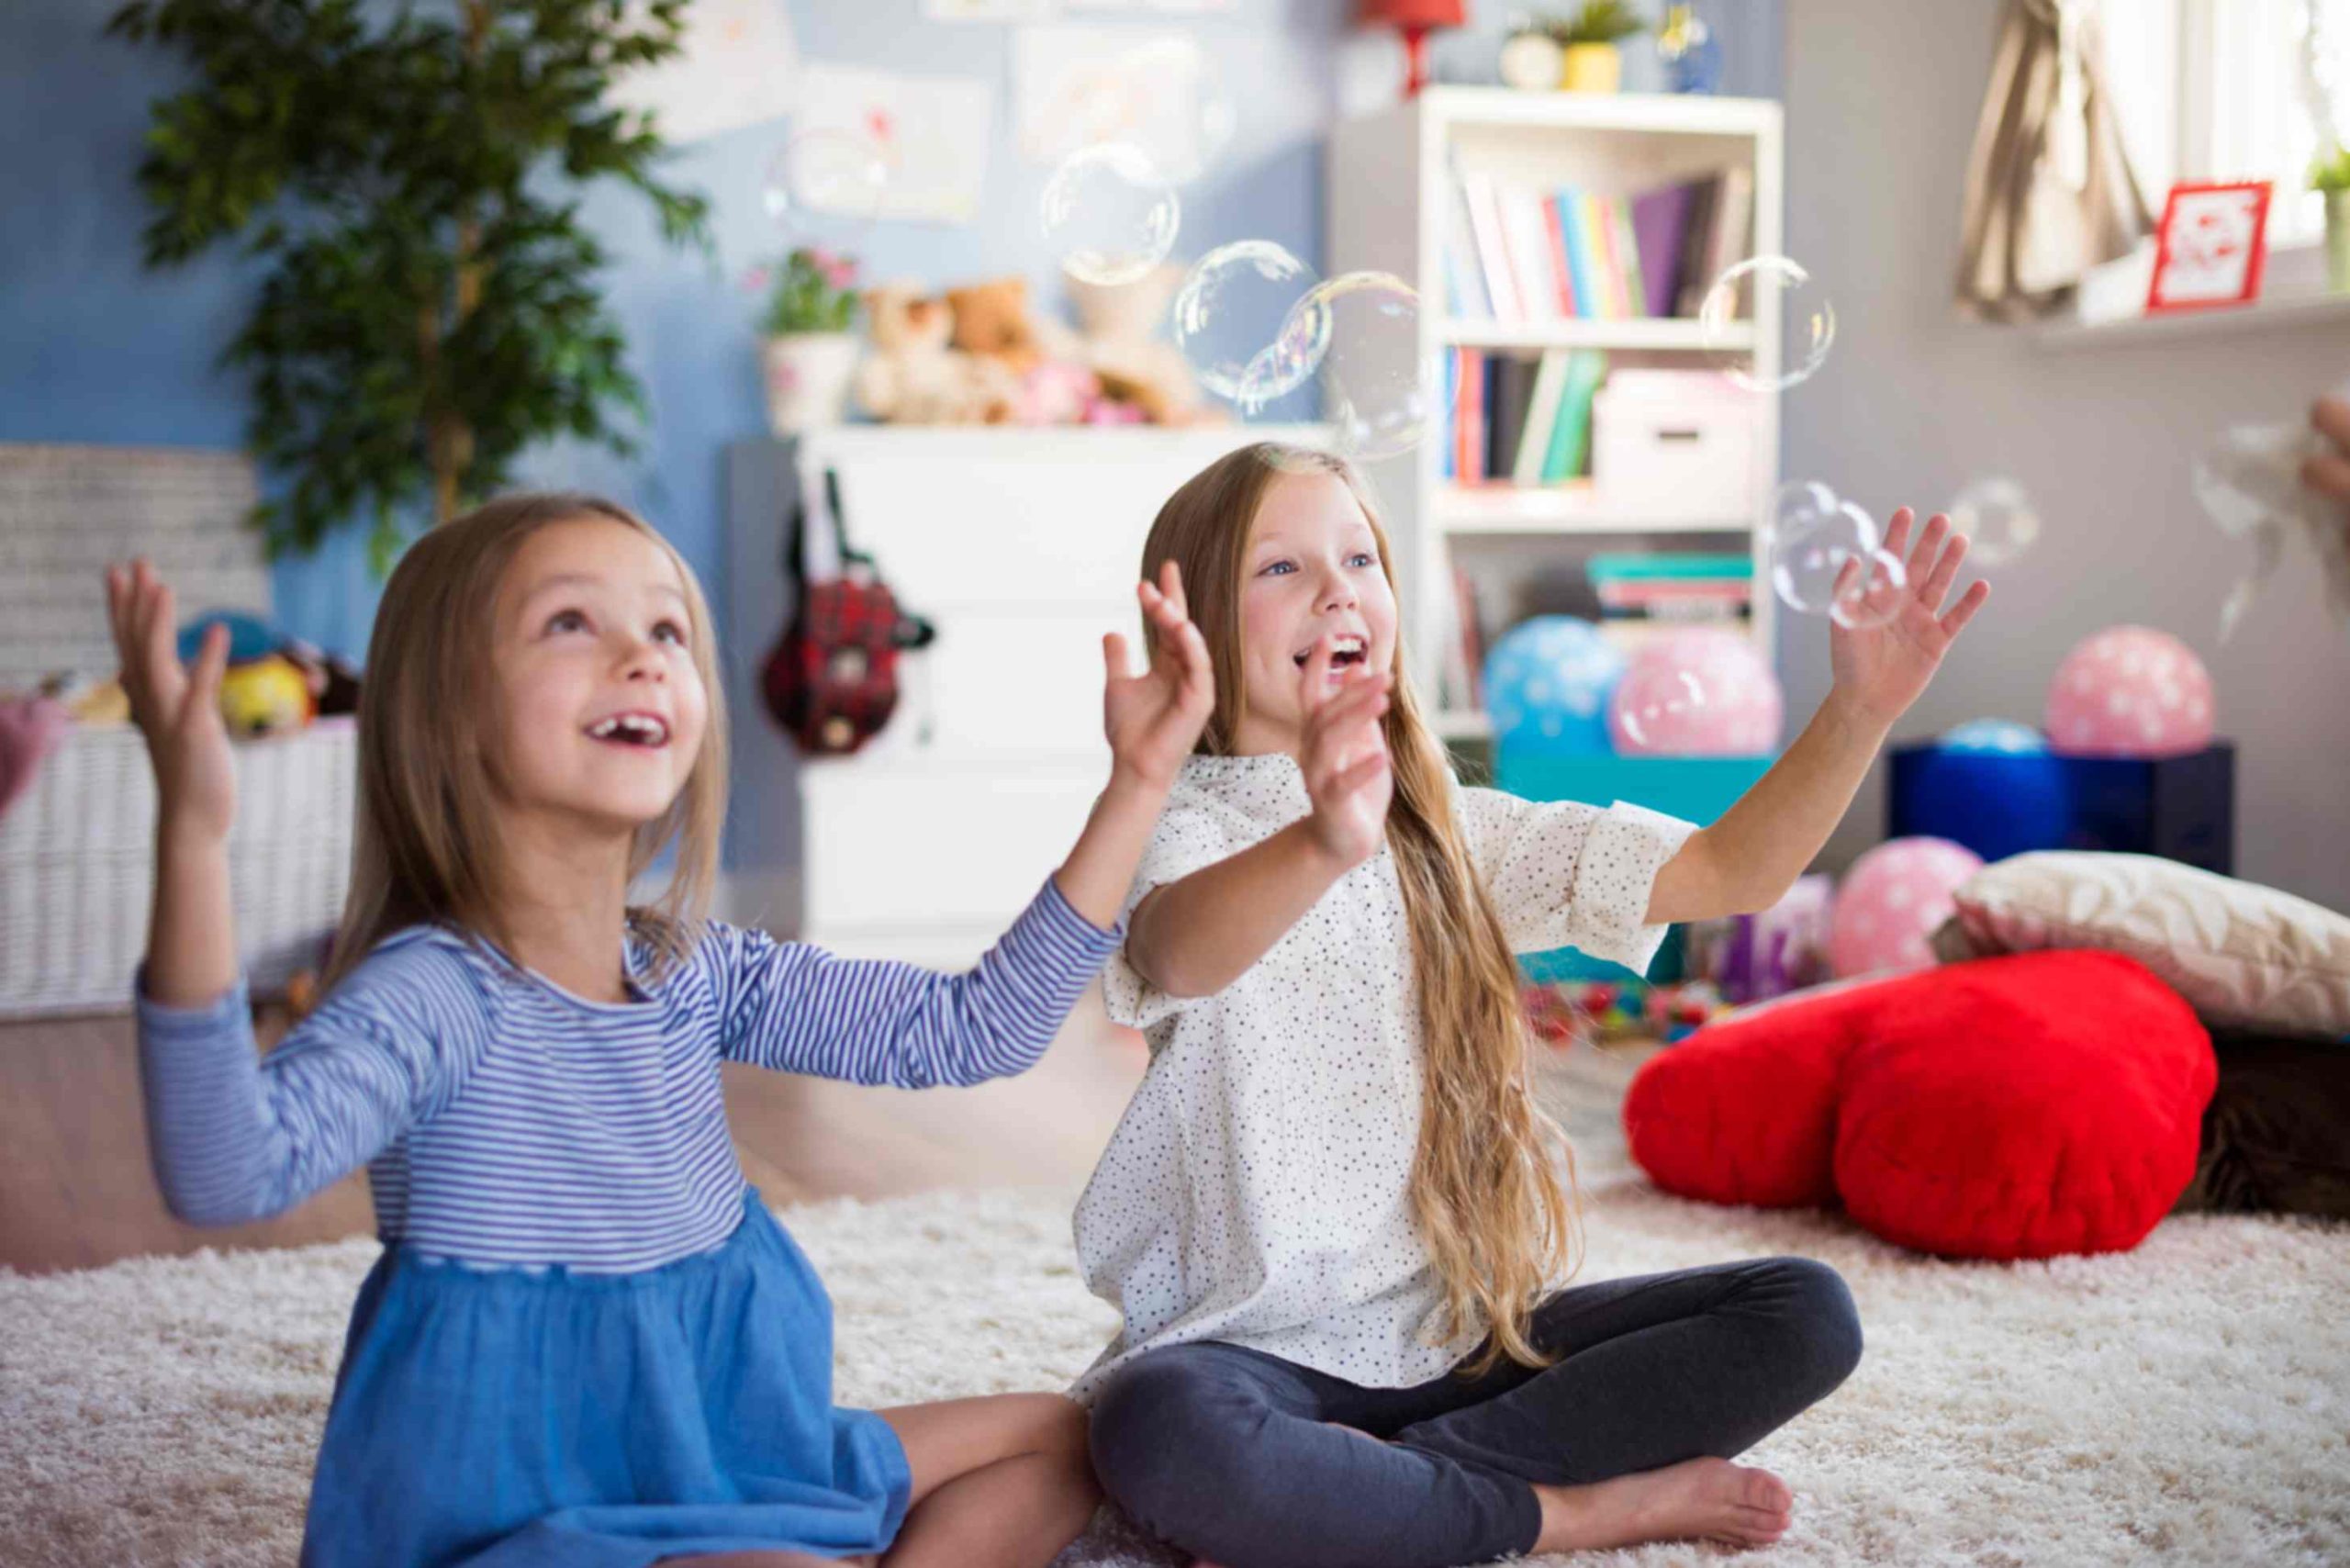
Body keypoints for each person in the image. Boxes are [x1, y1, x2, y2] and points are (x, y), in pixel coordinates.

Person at [108, 490, 1213, 1568]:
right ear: (444, 710)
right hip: (522, 1515)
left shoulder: (696, 968)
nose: (639, 656)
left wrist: (1140, 776)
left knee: (1080, 1436)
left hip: (732, 1461)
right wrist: (195, 840)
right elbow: (225, 1169)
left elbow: (972, 1032)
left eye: (667, 628)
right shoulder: (438, 994)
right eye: (571, 623)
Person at [1070, 443, 1990, 1568]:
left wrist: (1859, 707)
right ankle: (1568, 1513)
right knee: (1156, 1430)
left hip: (1448, 1342)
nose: (1336, 588)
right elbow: (1181, 948)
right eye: (1281, 568)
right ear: (1196, 627)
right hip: (1247, 1356)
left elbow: (1724, 872)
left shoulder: (1444, 825)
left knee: (1802, 1310)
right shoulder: (1181, 816)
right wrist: (1323, 836)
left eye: (1359, 556)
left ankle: (1361, 1504)